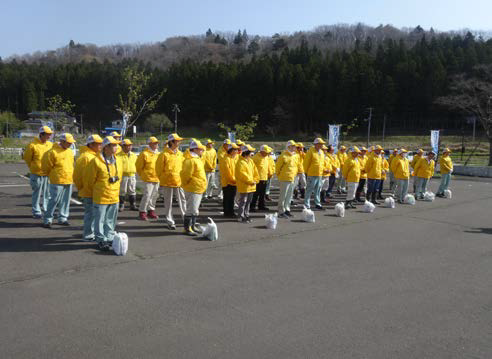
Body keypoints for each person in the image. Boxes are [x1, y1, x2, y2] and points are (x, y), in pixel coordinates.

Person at [85, 136, 123, 251]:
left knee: (111, 219)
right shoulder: (95, 161)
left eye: (117, 145)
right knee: (100, 220)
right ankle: (101, 239)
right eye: (114, 145)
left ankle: (109, 237)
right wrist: (98, 190)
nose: (116, 147)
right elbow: (90, 180)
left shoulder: (118, 160)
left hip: (114, 196)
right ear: (106, 147)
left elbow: (119, 177)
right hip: (101, 196)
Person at [41, 133, 76, 228]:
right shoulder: (52, 152)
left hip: (68, 179)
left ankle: (63, 218)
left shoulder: (69, 152)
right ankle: (47, 219)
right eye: (68, 142)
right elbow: (46, 167)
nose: (70, 144)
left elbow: (72, 164)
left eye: (71, 143)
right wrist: (52, 175)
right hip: (57, 179)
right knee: (53, 200)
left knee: (65, 201)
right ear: (62, 141)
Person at [73, 134, 103, 241]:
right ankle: (88, 234)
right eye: (98, 144)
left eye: (101, 143)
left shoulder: (94, 155)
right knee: (90, 214)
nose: (100, 146)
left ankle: (91, 233)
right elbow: (77, 176)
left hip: (95, 191)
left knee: (94, 214)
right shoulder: (86, 157)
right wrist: (82, 188)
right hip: (88, 191)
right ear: (91, 144)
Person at [155, 133, 186, 230]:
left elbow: (184, 167)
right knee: (168, 203)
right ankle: (170, 221)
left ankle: (186, 219)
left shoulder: (181, 154)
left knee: (183, 201)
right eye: (177, 140)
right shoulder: (163, 154)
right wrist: (164, 179)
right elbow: (158, 169)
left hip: (179, 181)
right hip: (167, 182)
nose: (179, 142)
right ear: (171, 142)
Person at [23, 126, 53, 218]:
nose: (49, 136)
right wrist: (33, 168)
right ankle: (36, 211)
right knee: (37, 192)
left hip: (47, 173)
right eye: (47, 134)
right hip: (36, 173)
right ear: (41, 134)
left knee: (47, 193)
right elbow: (27, 158)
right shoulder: (32, 145)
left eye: (50, 134)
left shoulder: (50, 145)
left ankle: (46, 209)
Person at [180, 139, 207, 236]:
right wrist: (188, 185)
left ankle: (193, 226)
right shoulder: (190, 160)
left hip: (198, 188)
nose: (202, 151)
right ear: (194, 149)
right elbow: (185, 175)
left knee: (195, 210)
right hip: (193, 188)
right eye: (200, 149)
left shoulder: (197, 159)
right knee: (191, 209)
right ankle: (187, 228)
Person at [136, 136, 160, 220]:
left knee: (154, 195)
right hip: (148, 178)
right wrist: (144, 175)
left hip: (157, 178)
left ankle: (151, 210)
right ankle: (142, 212)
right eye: (155, 143)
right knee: (147, 195)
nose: (157, 144)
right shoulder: (144, 154)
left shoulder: (158, 153)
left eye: (157, 143)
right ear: (150, 144)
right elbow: (138, 167)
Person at [235, 144, 259, 223]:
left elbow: (255, 172)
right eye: (251, 152)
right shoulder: (240, 162)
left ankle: (246, 214)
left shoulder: (250, 161)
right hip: (244, 186)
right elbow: (242, 175)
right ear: (246, 153)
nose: (252, 153)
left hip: (251, 186)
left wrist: (255, 179)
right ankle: (241, 216)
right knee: (243, 202)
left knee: (248, 202)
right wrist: (251, 181)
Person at [276, 140, 300, 218]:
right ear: (289, 146)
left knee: (289, 196)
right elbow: (278, 167)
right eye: (293, 146)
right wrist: (279, 176)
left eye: (295, 146)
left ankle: (287, 210)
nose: (294, 147)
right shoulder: (283, 155)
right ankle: (281, 211)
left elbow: (297, 166)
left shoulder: (296, 155)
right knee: (283, 196)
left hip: (292, 178)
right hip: (284, 178)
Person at [303, 138, 326, 210]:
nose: (322, 145)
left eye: (322, 144)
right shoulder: (310, 151)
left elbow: (322, 163)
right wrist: (306, 172)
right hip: (312, 174)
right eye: (320, 144)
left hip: (319, 174)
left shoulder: (321, 152)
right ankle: (306, 205)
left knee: (318, 190)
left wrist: (323, 170)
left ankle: (317, 204)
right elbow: (306, 163)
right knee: (309, 189)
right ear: (316, 144)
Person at [117, 139, 138, 211]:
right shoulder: (118, 155)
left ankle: (133, 205)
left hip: (132, 175)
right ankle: (121, 205)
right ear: (123, 146)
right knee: (122, 191)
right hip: (123, 175)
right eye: (127, 146)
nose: (129, 147)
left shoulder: (134, 155)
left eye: (130, 145)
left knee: (132, 190)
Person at [251, 145, 273, 211]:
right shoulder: (255, 158)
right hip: (257, 178)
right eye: (266, 152)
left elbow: (268, 166)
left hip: (265, 177)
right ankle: (252, 206)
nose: (267, 153)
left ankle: (261, 206)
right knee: (255, 194)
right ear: (262, 151)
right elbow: (252, 168)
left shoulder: (266, 157)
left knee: (262, 194)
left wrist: (270, 173)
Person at [219, 143, 239, 217]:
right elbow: (227, 172)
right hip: (227, 182)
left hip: (234, 182)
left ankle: (231, 212)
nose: (237, 151)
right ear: (231, 150)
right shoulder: (226, 159)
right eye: (235, 149)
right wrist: (233, 180)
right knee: (228, 197)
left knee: (231, 198)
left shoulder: (234, 158)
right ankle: (227, 212)